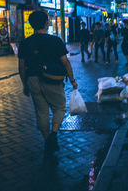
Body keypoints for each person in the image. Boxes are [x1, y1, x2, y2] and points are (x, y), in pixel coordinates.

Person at [18, 10, 78, 153]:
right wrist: (72, 80)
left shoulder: (25, 43)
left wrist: (25, 84)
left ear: (31, 25)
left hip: (33, 79)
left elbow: (21, 67)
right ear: (46, 23)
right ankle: (54, 135)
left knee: (41, 111)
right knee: (60, 107)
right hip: (52, 79)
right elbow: (65, 62)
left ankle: (47, 140)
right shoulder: (55, 41)